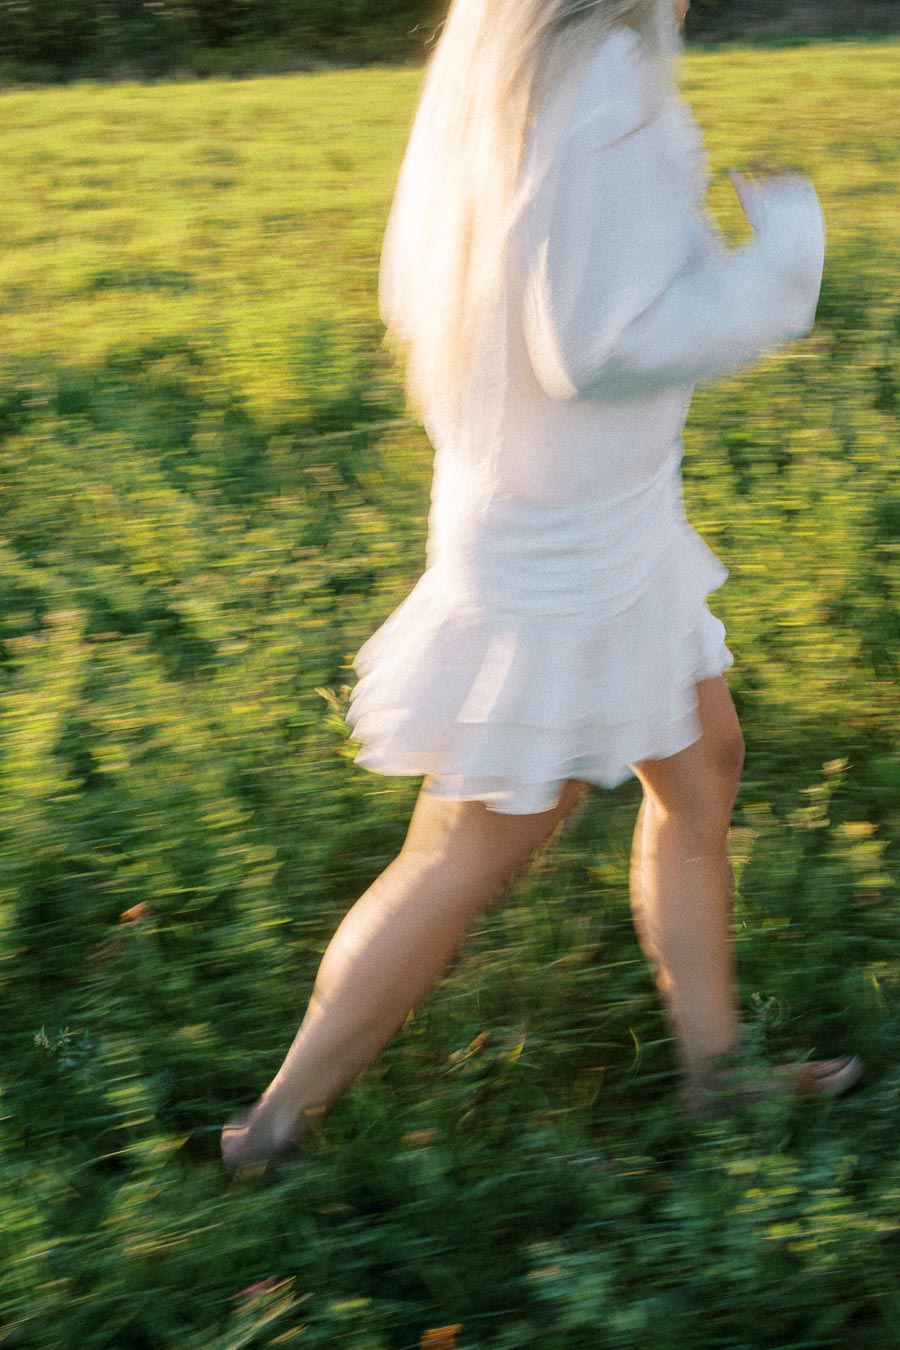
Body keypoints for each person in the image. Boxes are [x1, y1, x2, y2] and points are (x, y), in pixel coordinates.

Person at [221, 0, 860, 1172]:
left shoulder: (524, 57)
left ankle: (716, 1081)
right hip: (558, 548)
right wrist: (780, 261)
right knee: (477, 844)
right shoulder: (600, 72)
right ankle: (269, 1129)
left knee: (702, 768)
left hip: (591, 513)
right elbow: (594, 344)